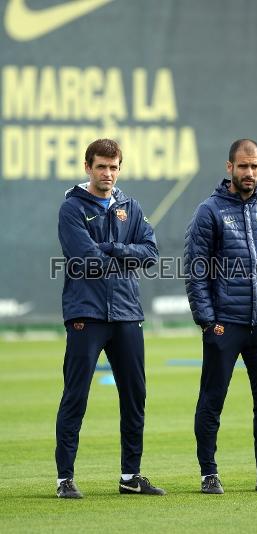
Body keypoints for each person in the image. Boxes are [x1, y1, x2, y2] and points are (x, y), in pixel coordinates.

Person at [184, 139, 257, 494]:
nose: (250, 173)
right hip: (226, 325)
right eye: (243, 166)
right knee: (211, 401)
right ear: (229, 167)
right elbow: (195, 269)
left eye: (255, 166)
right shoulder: (210, 211)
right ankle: (209, 474)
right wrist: (207, 320)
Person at [55, 138, 165, 498]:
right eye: (101, 166)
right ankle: (65, 479)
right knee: (76, 395)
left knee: (135, 396)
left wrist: (115, 248)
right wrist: (117, 255)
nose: (107, 173)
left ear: (120, 168)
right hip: (86, 313)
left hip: (127, 313)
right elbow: (85, 259)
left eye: (113, 167)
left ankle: (130, 477)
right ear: (88, 167)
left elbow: (150, 252)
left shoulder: (130, 207)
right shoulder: (71, 208)